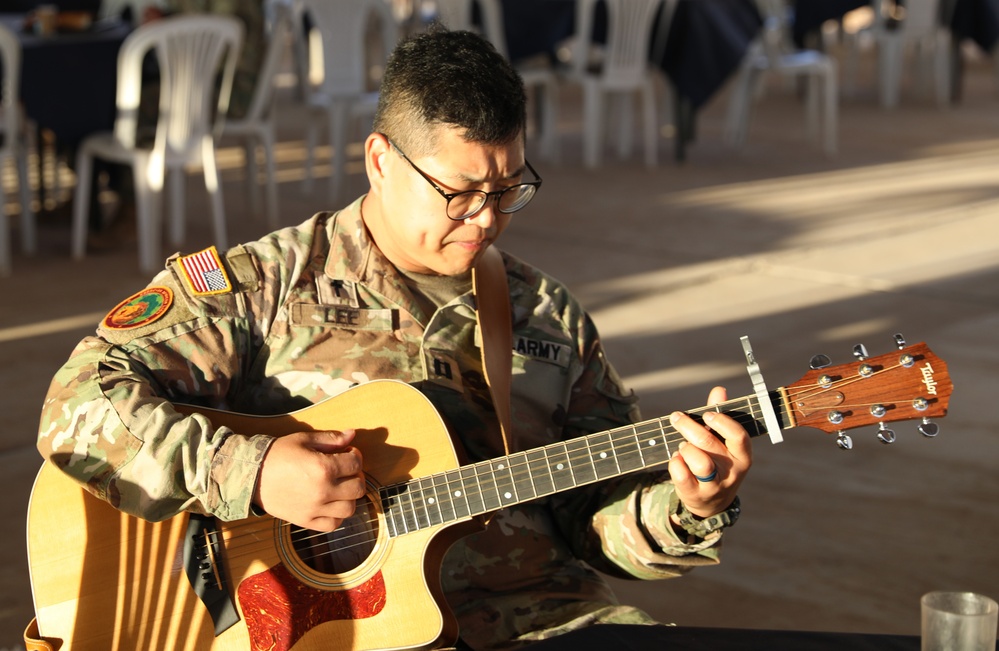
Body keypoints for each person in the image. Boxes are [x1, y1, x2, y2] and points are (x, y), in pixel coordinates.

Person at [37, 26, 752, 651]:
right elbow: (78, 405)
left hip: (544, 620)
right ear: (381, 160)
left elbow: (595, 522)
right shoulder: (264, 286)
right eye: (459, 192)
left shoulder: (546, 316)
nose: (486, 219)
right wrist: (249, 471)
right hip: (342, 632)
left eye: (509, 189)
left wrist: (689, 505)